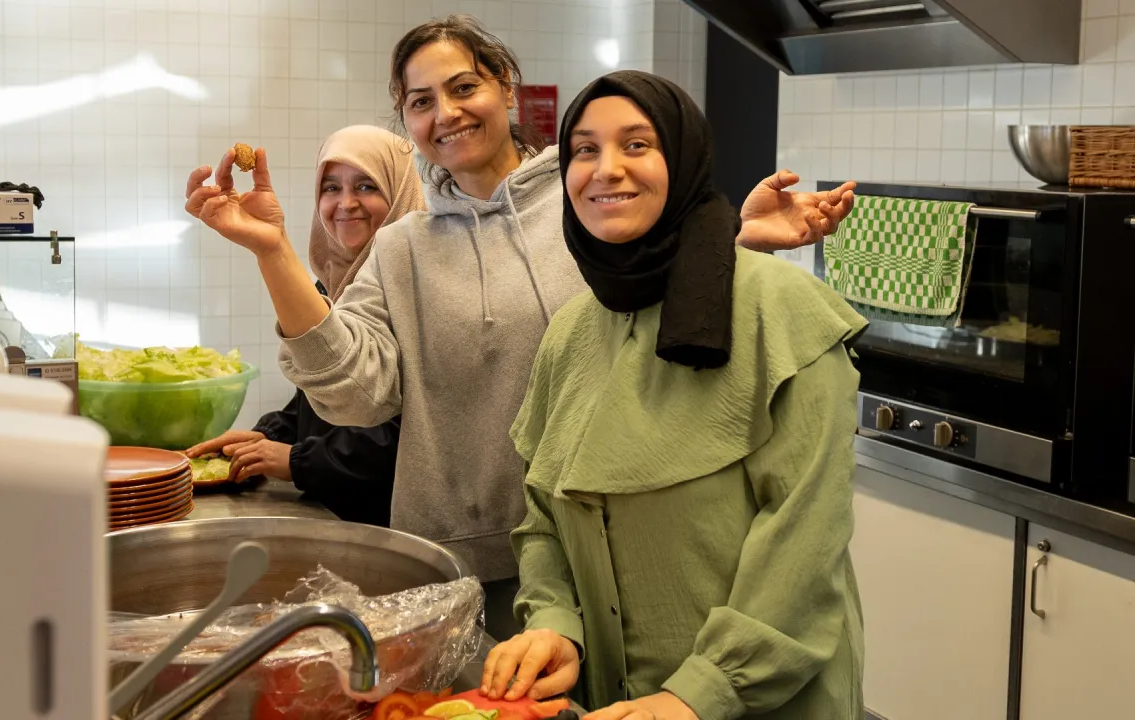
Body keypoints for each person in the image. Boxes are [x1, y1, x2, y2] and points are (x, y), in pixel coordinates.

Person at [183, 15, 857, 641]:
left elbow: (666, 317)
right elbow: (355, 396)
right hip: (458, 561)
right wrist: (271, 250)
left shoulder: (590, 201)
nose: (445, 113)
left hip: (612, 551)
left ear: (505, 87)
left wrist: (737, 246)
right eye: (420, 102)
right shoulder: (400, 250)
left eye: (463, 87)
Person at [478, 71, 866, 719]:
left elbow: (803, 542)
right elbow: (543, 514)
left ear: (683, 160)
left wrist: (697, 696)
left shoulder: (782, 312)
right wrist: (554, 622)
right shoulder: (573, 332)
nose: (606, 170)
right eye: (584, 149)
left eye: (636, 145)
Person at [184, 125, 425, 528]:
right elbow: (315, 400)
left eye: (366, 186)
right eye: (331, 188)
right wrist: (268, 436)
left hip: (395, 526)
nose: (346, 203)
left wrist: (296, 460)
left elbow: (409, 428)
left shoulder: (421, 287)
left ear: (400, 191)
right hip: (332, 516)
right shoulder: (329, 284)